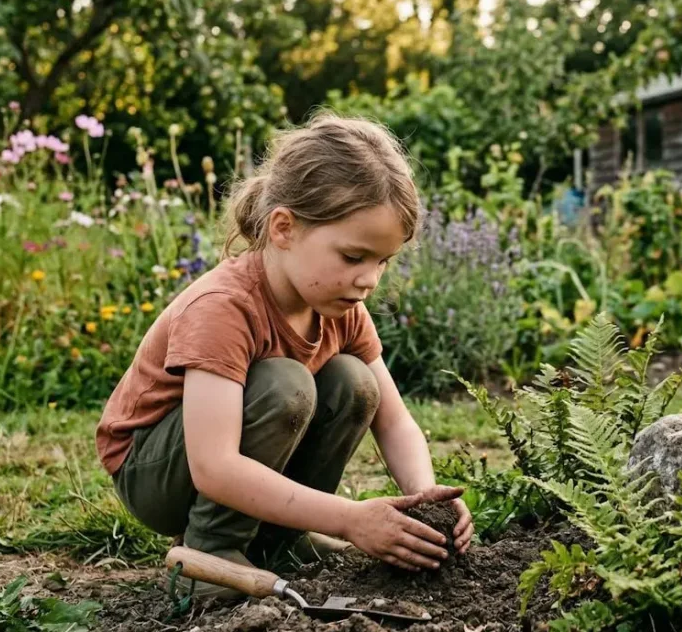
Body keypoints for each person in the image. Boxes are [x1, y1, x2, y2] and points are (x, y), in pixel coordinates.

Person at [94, 113, 472, 600]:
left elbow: (395, 422)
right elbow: (214, 465)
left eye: (383, 261)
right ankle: (209, 552)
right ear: (283, 228)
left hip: (212, 462)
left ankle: (279, 541)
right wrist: (349, 519)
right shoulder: (223, 308)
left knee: (355, 382)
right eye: (354, 257)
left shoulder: (340, 307)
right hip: (157, 470)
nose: (369, 280)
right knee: (285, 385)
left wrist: (425, 501)